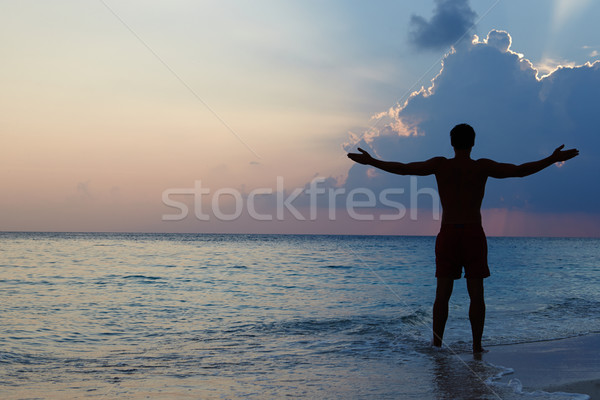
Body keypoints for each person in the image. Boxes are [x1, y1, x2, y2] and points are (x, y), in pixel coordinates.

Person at [347, 123, 579, 353]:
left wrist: (372, 161)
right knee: (476, 295)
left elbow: (405, 168)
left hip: (448, 233)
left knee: (442, 295)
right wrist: (551, 158)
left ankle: (437, 345)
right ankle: (477, 346)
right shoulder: (481, 167)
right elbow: (519, 171)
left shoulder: (441, 165)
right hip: (473, 233)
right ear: (473, 143)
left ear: (451, 142)